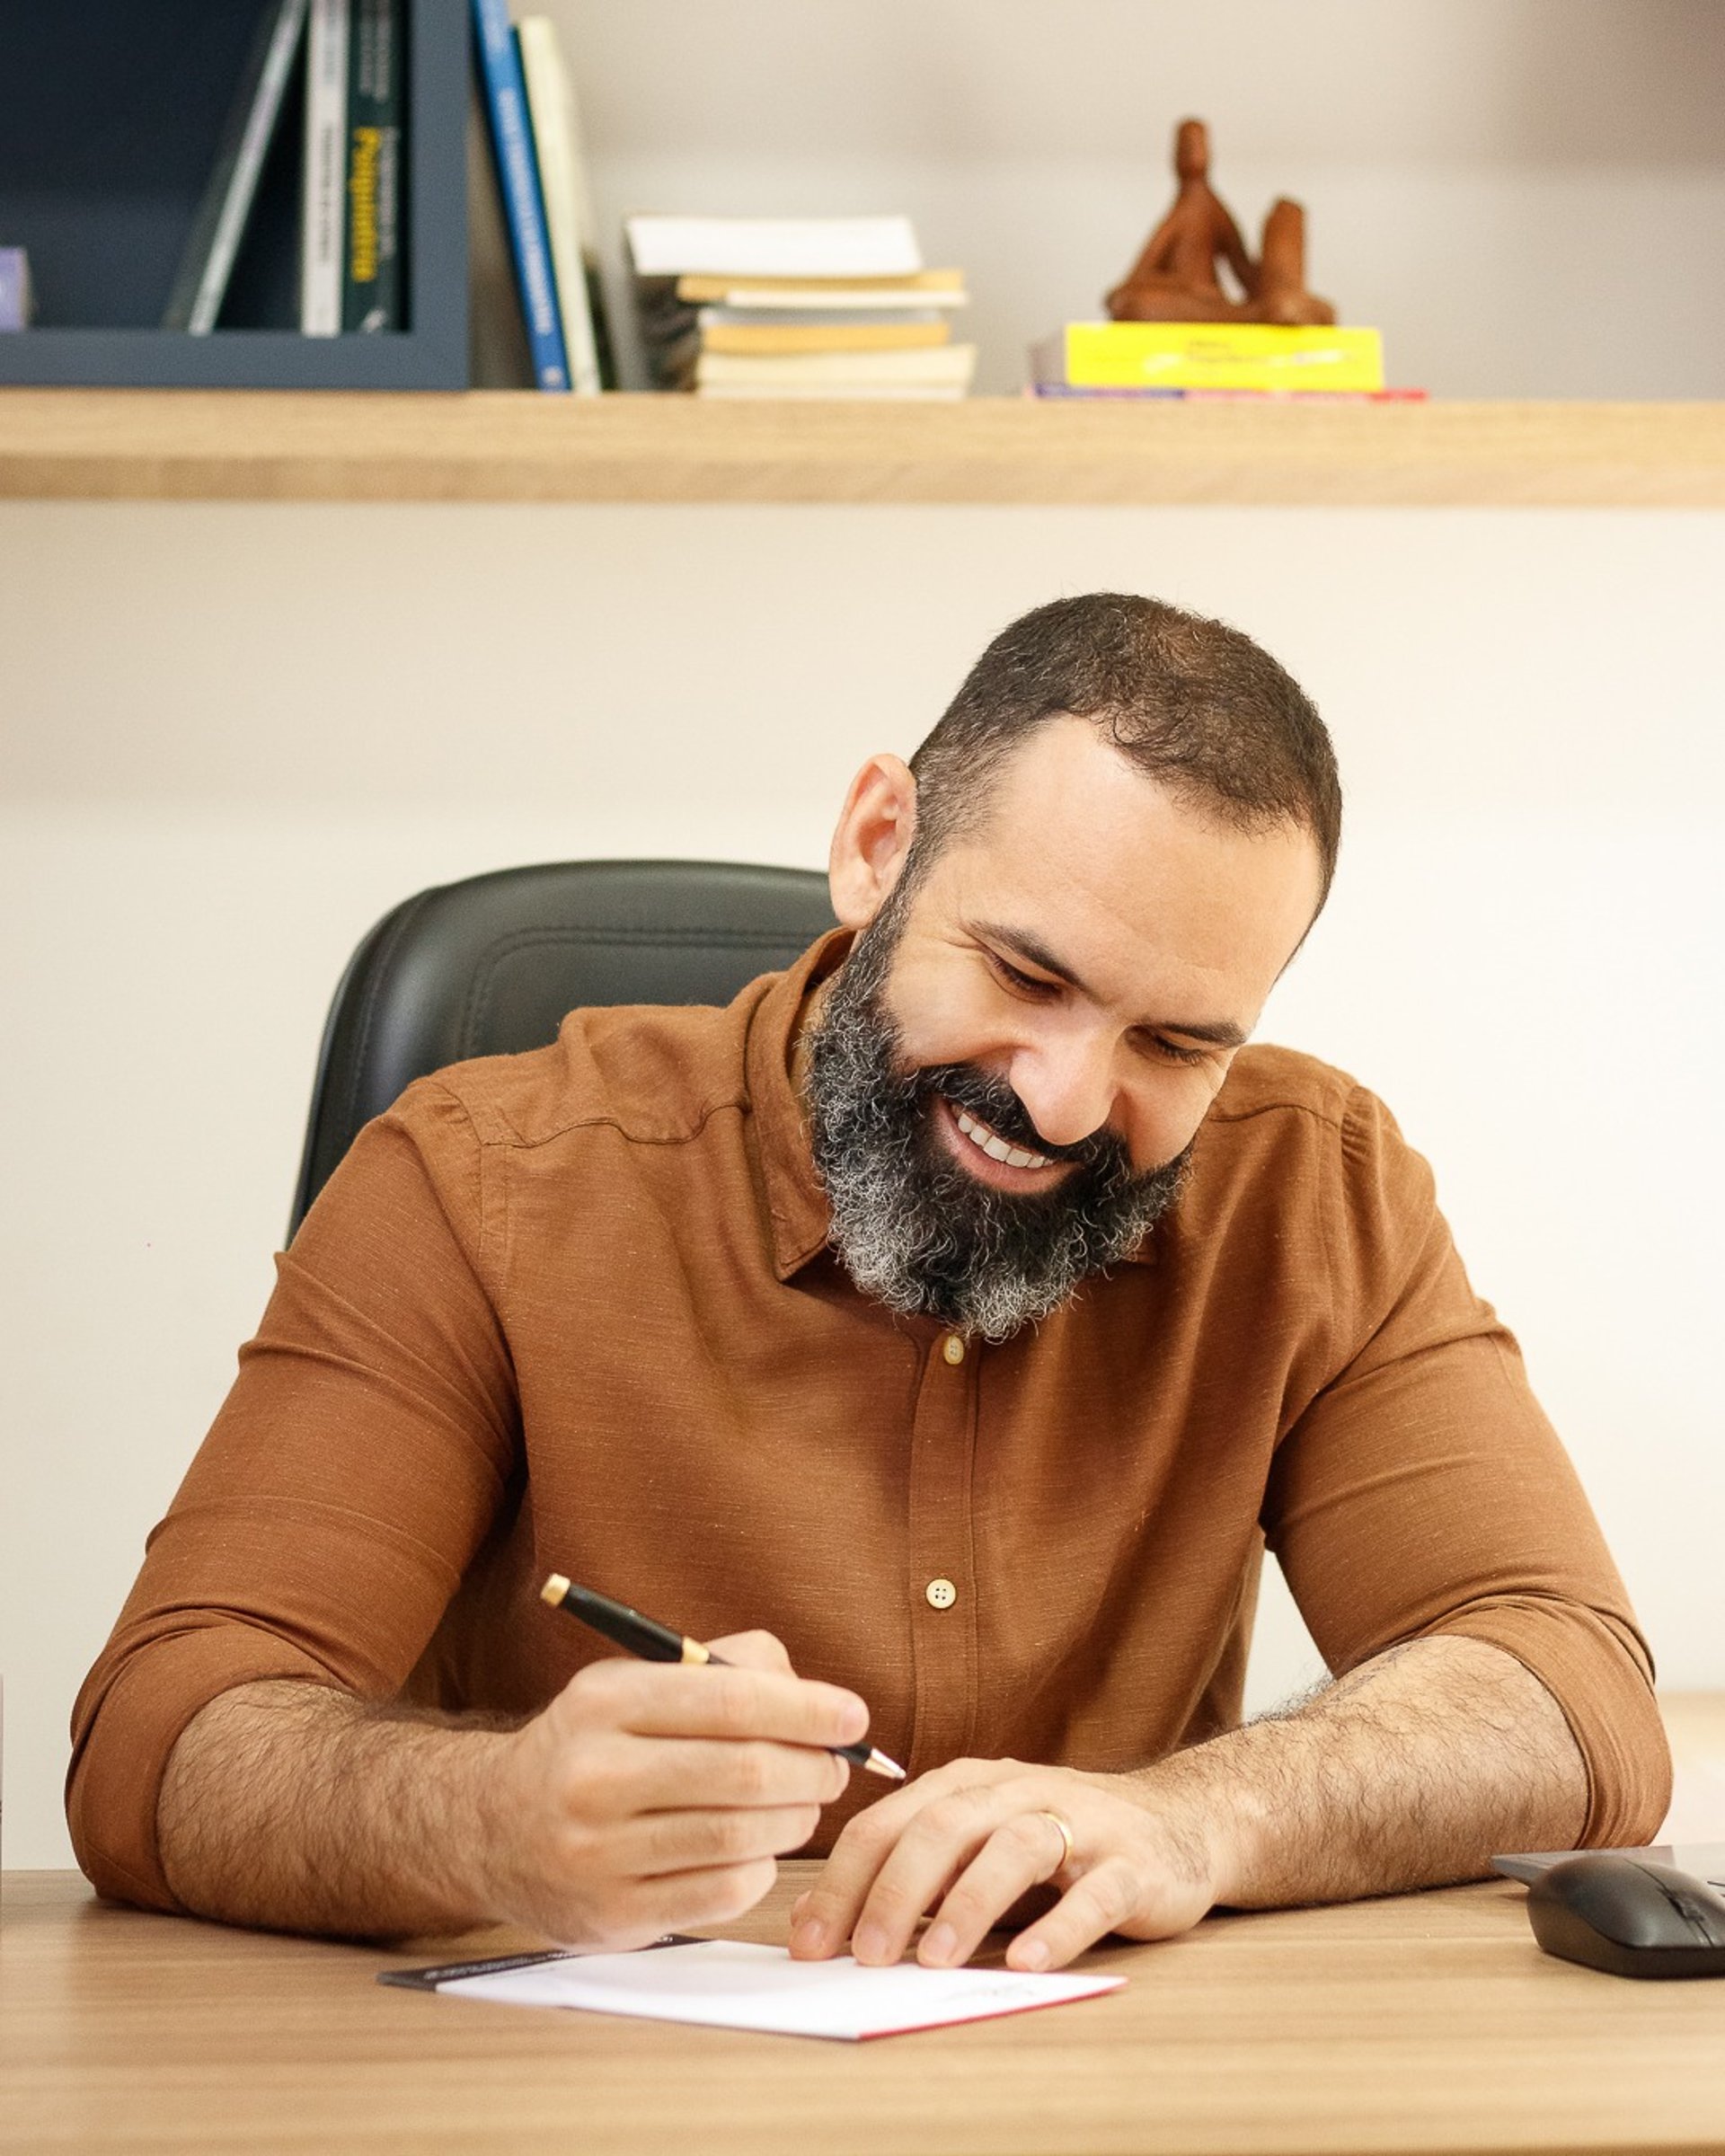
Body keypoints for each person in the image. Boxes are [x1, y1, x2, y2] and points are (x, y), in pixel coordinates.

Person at [68, 593, 1669, 1976]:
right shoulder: (481, 1177)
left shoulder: (1315, 1184)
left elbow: (1569, 1689)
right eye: (1027, 974)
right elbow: (165, 1736)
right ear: (877, 845)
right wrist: (491, 1819)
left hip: (1108, 2089)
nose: (1062, 1101)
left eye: (1178, 1042)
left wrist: (1199, 1819)